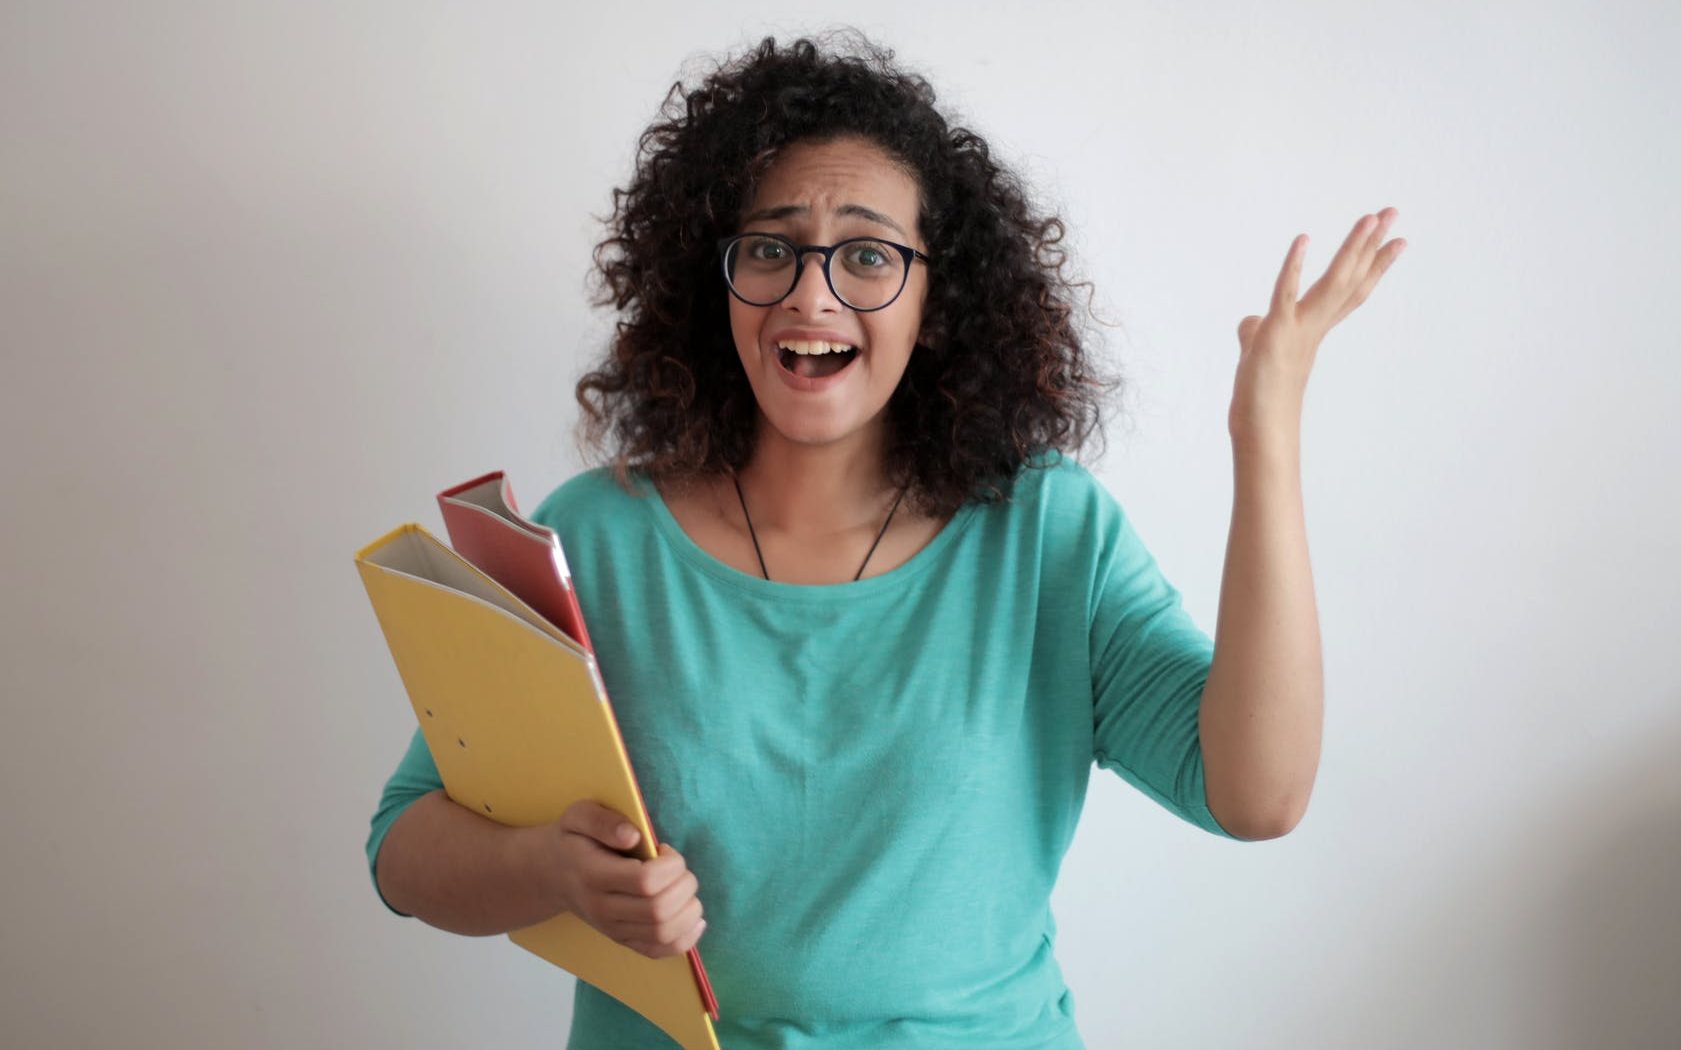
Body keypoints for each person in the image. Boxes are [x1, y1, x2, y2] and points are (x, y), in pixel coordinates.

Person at [364, 29, 1404, 1050]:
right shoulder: (596, 536)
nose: (809, 294)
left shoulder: (1044, 532)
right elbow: (404, 850)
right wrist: (550, 869)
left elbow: (1257, 795)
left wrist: (1264, 431)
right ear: (714, 281)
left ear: (937, 299)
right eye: (769, 249)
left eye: (868, 255)